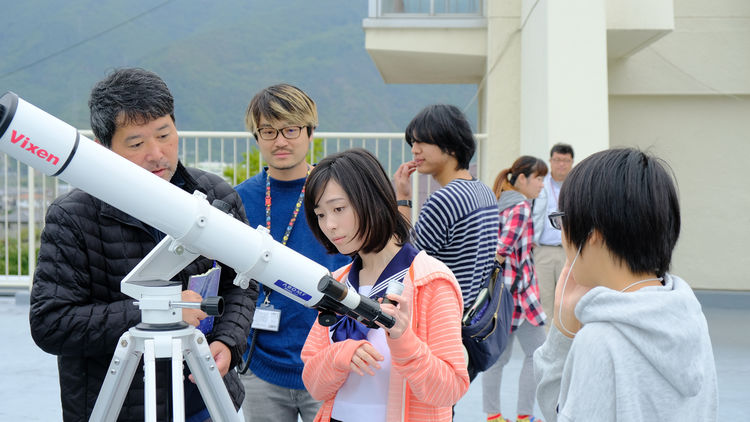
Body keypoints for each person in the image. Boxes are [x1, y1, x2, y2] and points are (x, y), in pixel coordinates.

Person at [28, 67, 257, 422]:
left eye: (164, 134)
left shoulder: (214, 197)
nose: (157, 153)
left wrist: (228, 341)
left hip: (205, 398)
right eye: (136, 144)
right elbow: (52, 324)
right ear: (104, 148)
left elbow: (243, 280)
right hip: (116, 405)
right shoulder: (72, 217)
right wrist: (156, 312)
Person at [534, 148, 718, 421]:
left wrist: (562, 333)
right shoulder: (689, 314)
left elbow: (557, 411)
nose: (562, 235)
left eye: (562, 220)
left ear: (592, 235)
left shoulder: (600, 340)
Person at [301, 148, 470, 422]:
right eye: (320, 215)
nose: (329, 225)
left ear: (373, 199)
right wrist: (340, 355)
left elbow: (450, 390)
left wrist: (404, 341)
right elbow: (314, 384)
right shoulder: (339, 282)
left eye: (339, 209)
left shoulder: (431, 280)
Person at [234, 83, 350, 422]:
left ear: (310, 132)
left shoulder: (338, 194)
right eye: (268, 131)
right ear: (256, 137)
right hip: (260, 364)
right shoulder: (239, 200)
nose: (280, 141)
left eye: (290, 129)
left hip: (331, 361)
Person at [392, 103, 499, 326]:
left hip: (439, 320)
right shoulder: (485, 192)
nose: (414, 149)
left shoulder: (444, 200)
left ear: (450, 145)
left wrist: (402, 199)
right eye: (413, 142)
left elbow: (403, 260)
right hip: (469, 317)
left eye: (422, 141)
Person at [483, 156, 548, 422]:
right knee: (538, 354)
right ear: (522, 179)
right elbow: (501, 250)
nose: (542, 185)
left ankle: (494, 416)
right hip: (517, 296)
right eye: (539, 178)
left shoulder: (502, 202)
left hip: (504, 294)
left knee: (498, 358)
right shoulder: (520, 206)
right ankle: (523, 416)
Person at [531, 143, 574, 322]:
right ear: (550, 161)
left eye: (566, 160)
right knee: (545, 302)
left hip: (569, 251)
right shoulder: (541, 185)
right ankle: (547, 347)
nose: (561, 164)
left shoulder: (575, 185)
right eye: (557, 160)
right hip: (544, 251)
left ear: (572, 162)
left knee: (569, 301)